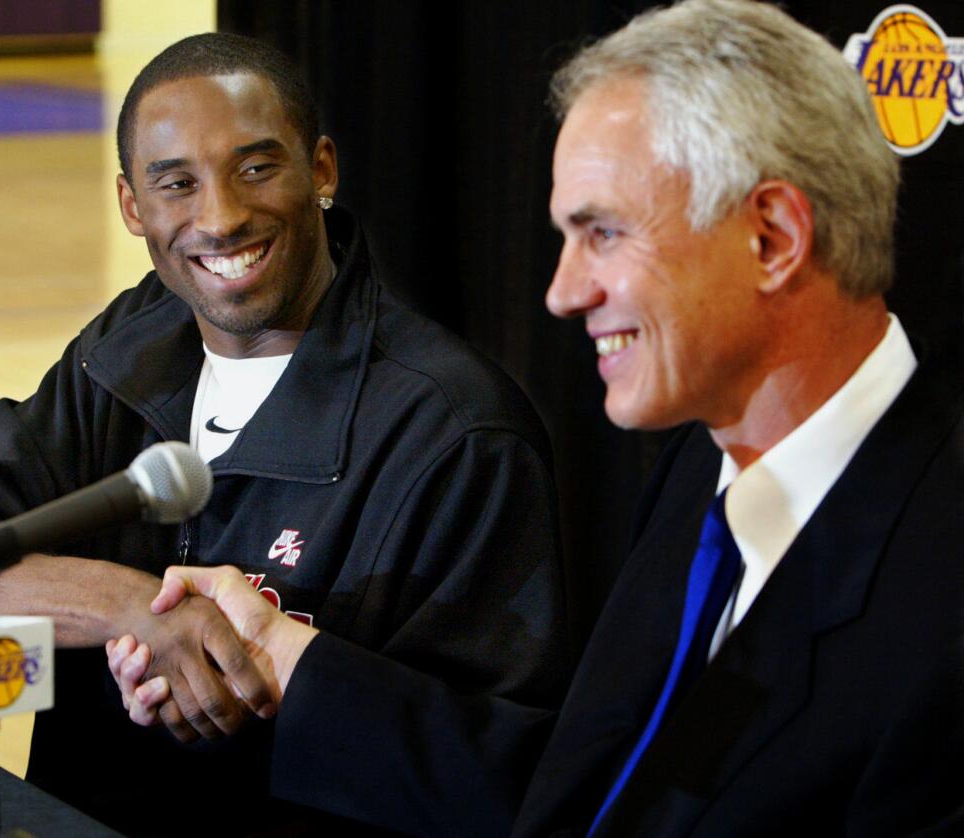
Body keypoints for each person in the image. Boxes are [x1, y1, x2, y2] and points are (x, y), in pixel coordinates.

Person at [109, 1, 964, 834]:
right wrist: (283, 657)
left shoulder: (939, 609)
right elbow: (579, 789)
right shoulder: (709, 467)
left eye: (604, 234)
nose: (563, 292)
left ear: (772, 239)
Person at [0, 33, 569, 835]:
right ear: (133, 206)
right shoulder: (127, 347)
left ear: (323, 170)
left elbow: (505, 784)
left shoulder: (458, 431)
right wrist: (133, 609)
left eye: (257, 168)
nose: (223, 217)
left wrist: (276, 675)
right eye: (177, 184)